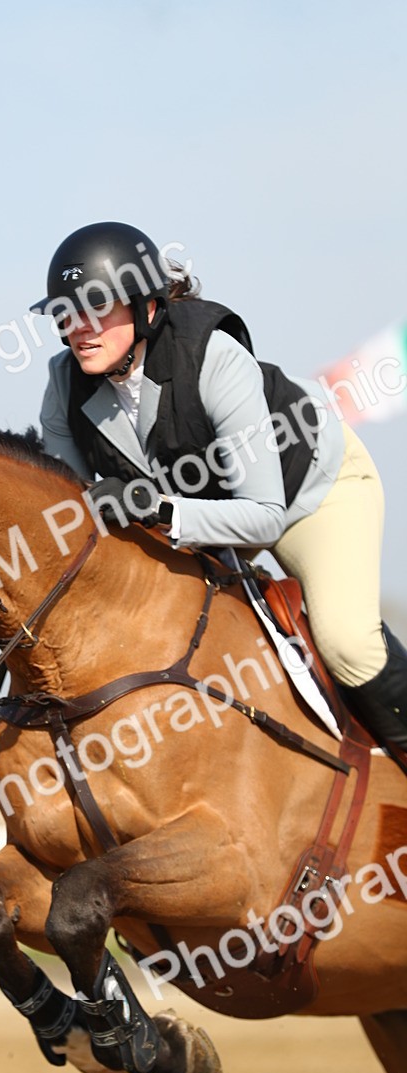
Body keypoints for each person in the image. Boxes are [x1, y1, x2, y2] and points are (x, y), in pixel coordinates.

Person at [31, 221, 407, 764]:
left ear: (148, 308)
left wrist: (159, 508)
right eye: (66, 314)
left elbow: (263, 517)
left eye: (97, 309)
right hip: (201, 515)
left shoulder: (213, 356)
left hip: (308, 494)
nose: (78, 329)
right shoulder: (64, 384)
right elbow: (75, 512)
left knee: (347, 642)